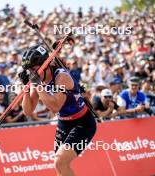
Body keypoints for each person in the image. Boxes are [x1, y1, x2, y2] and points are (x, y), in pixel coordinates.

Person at [19, 45, 97, 176]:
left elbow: (55, 106)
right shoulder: (37, 79)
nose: (32, 73)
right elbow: (28, 111)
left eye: (34, 68)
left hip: (82, 123)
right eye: (29, 70)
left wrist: (38, 86)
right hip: (64, 123)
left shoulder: (61, 77)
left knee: (60, 162)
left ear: (46, 64)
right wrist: (25, 89)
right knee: (59, 166)